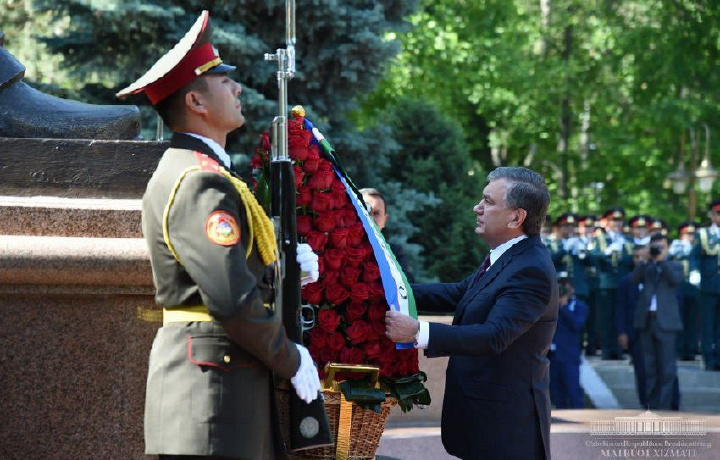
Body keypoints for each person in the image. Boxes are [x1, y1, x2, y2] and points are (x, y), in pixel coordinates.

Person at [116, 11, 321, 459]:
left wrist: (281, 267)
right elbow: (229, 296)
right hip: (211, 396)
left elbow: (227, 270)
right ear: (196, 102)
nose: (238, 88)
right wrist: (290, 356)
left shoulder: (199, 172)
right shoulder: (199, 181)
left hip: (218, 389)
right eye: (223, 81)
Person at [385, 167, 557, 460]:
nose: (477, 207)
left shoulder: (531, 269)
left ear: (516, 217)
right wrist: (387, 287)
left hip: (506, 431)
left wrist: (417, 332)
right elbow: (457, 293)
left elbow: (494, 336)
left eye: (488, 202)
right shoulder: (508, 255)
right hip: (485, 422)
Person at [632, 233, 683, 410]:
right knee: (649, 367)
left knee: (667, 368)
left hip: (667, 324)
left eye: (661, 247)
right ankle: (651, 406)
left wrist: (661, 261)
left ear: (667, 248)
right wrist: (645, 259)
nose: (657, 250)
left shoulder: (674, 265)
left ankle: (664, 406)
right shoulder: (646, 266)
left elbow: (675, 280)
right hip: (646, 321)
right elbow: (634, 279)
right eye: (655, 247)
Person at [359, 187, 414, 282]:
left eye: (376, 213)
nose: (370, 218)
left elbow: (407, 285)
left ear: (384, 220)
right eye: (365, 210)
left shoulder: (394, 253)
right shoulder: (335, 247)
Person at [549, 277, 589, 409]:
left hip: (569, 357)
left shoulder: (579, 306)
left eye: (565, 288)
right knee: (556, 394)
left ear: (572, 289)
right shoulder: (549, 306)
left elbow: (577, 325)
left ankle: (580, 423)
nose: (562, 291)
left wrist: (564, 307)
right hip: (552, 357)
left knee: (573, 392)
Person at [691, 199, 720, 371]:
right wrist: (694, 272)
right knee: (708, 323)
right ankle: (709, 357)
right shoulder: (703, 234)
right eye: (717, 214)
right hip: (709, 285)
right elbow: (694, 256)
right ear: (712, 215)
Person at [670, 222, 700, 361]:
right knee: (678, 319)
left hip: (694, 289)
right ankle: (679, 348)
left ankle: (691, 349)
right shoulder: (676, 246)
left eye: (692, 234)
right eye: (687, 234)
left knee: (692, 321)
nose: (690, 237)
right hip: (678, 288)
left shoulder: (698, 247)